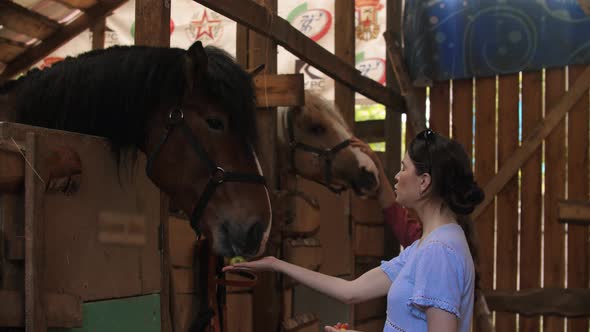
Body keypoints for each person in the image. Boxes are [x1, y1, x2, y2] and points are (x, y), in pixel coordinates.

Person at [224, 129, 484, 332]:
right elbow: (352, 291)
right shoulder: (426, 246)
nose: (396, 175)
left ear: (424, 182)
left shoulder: (438, 252)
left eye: (404, 168)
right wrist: (276, 264)